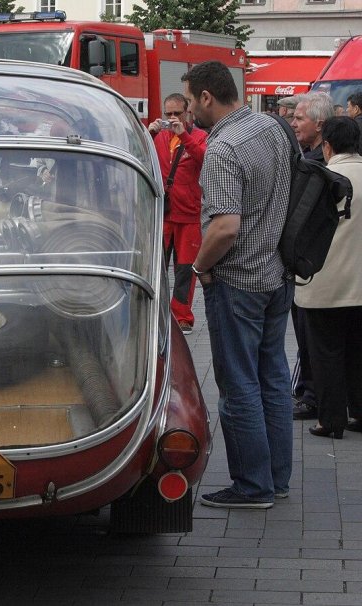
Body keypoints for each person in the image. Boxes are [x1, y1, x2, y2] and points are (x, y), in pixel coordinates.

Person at [183, 61, 293, 509]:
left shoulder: (224, 147)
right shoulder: (270, 127)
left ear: (207, 96)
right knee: (273, 378)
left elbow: (225, 226)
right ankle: (276, 479)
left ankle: (252, 485)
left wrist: (198, 267)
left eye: (190, 101)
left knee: (239, 384)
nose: (189, 110)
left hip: (238, 281)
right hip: (277, 274)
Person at [294, 117, 362, 439]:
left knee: (325, 353)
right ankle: (359, 412)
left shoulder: (321, 178)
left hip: (325, 282)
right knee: (358, 351)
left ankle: (331, 420)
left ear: (328, 146)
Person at [289, 91, 334, 421]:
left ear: (319, 125)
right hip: (309, 265)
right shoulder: (307, 156)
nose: (293, 123)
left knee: (313, 335)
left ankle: (313, 394)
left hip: (314, 266)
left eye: (299, 118)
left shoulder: (319, 165)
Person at [147, 93, 207, 335]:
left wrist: (184, 135)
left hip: (188, 215)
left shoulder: (199, 137)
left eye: (177, 113)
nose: (172, 118)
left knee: (185, 270)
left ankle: (182, 316)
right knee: (157, 266)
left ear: (187, 112)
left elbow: (205, 159)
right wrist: (149, 135)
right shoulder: (159, 136)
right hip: (163, 212)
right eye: (168, 113)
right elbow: (138, 155)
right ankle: (158, 313)